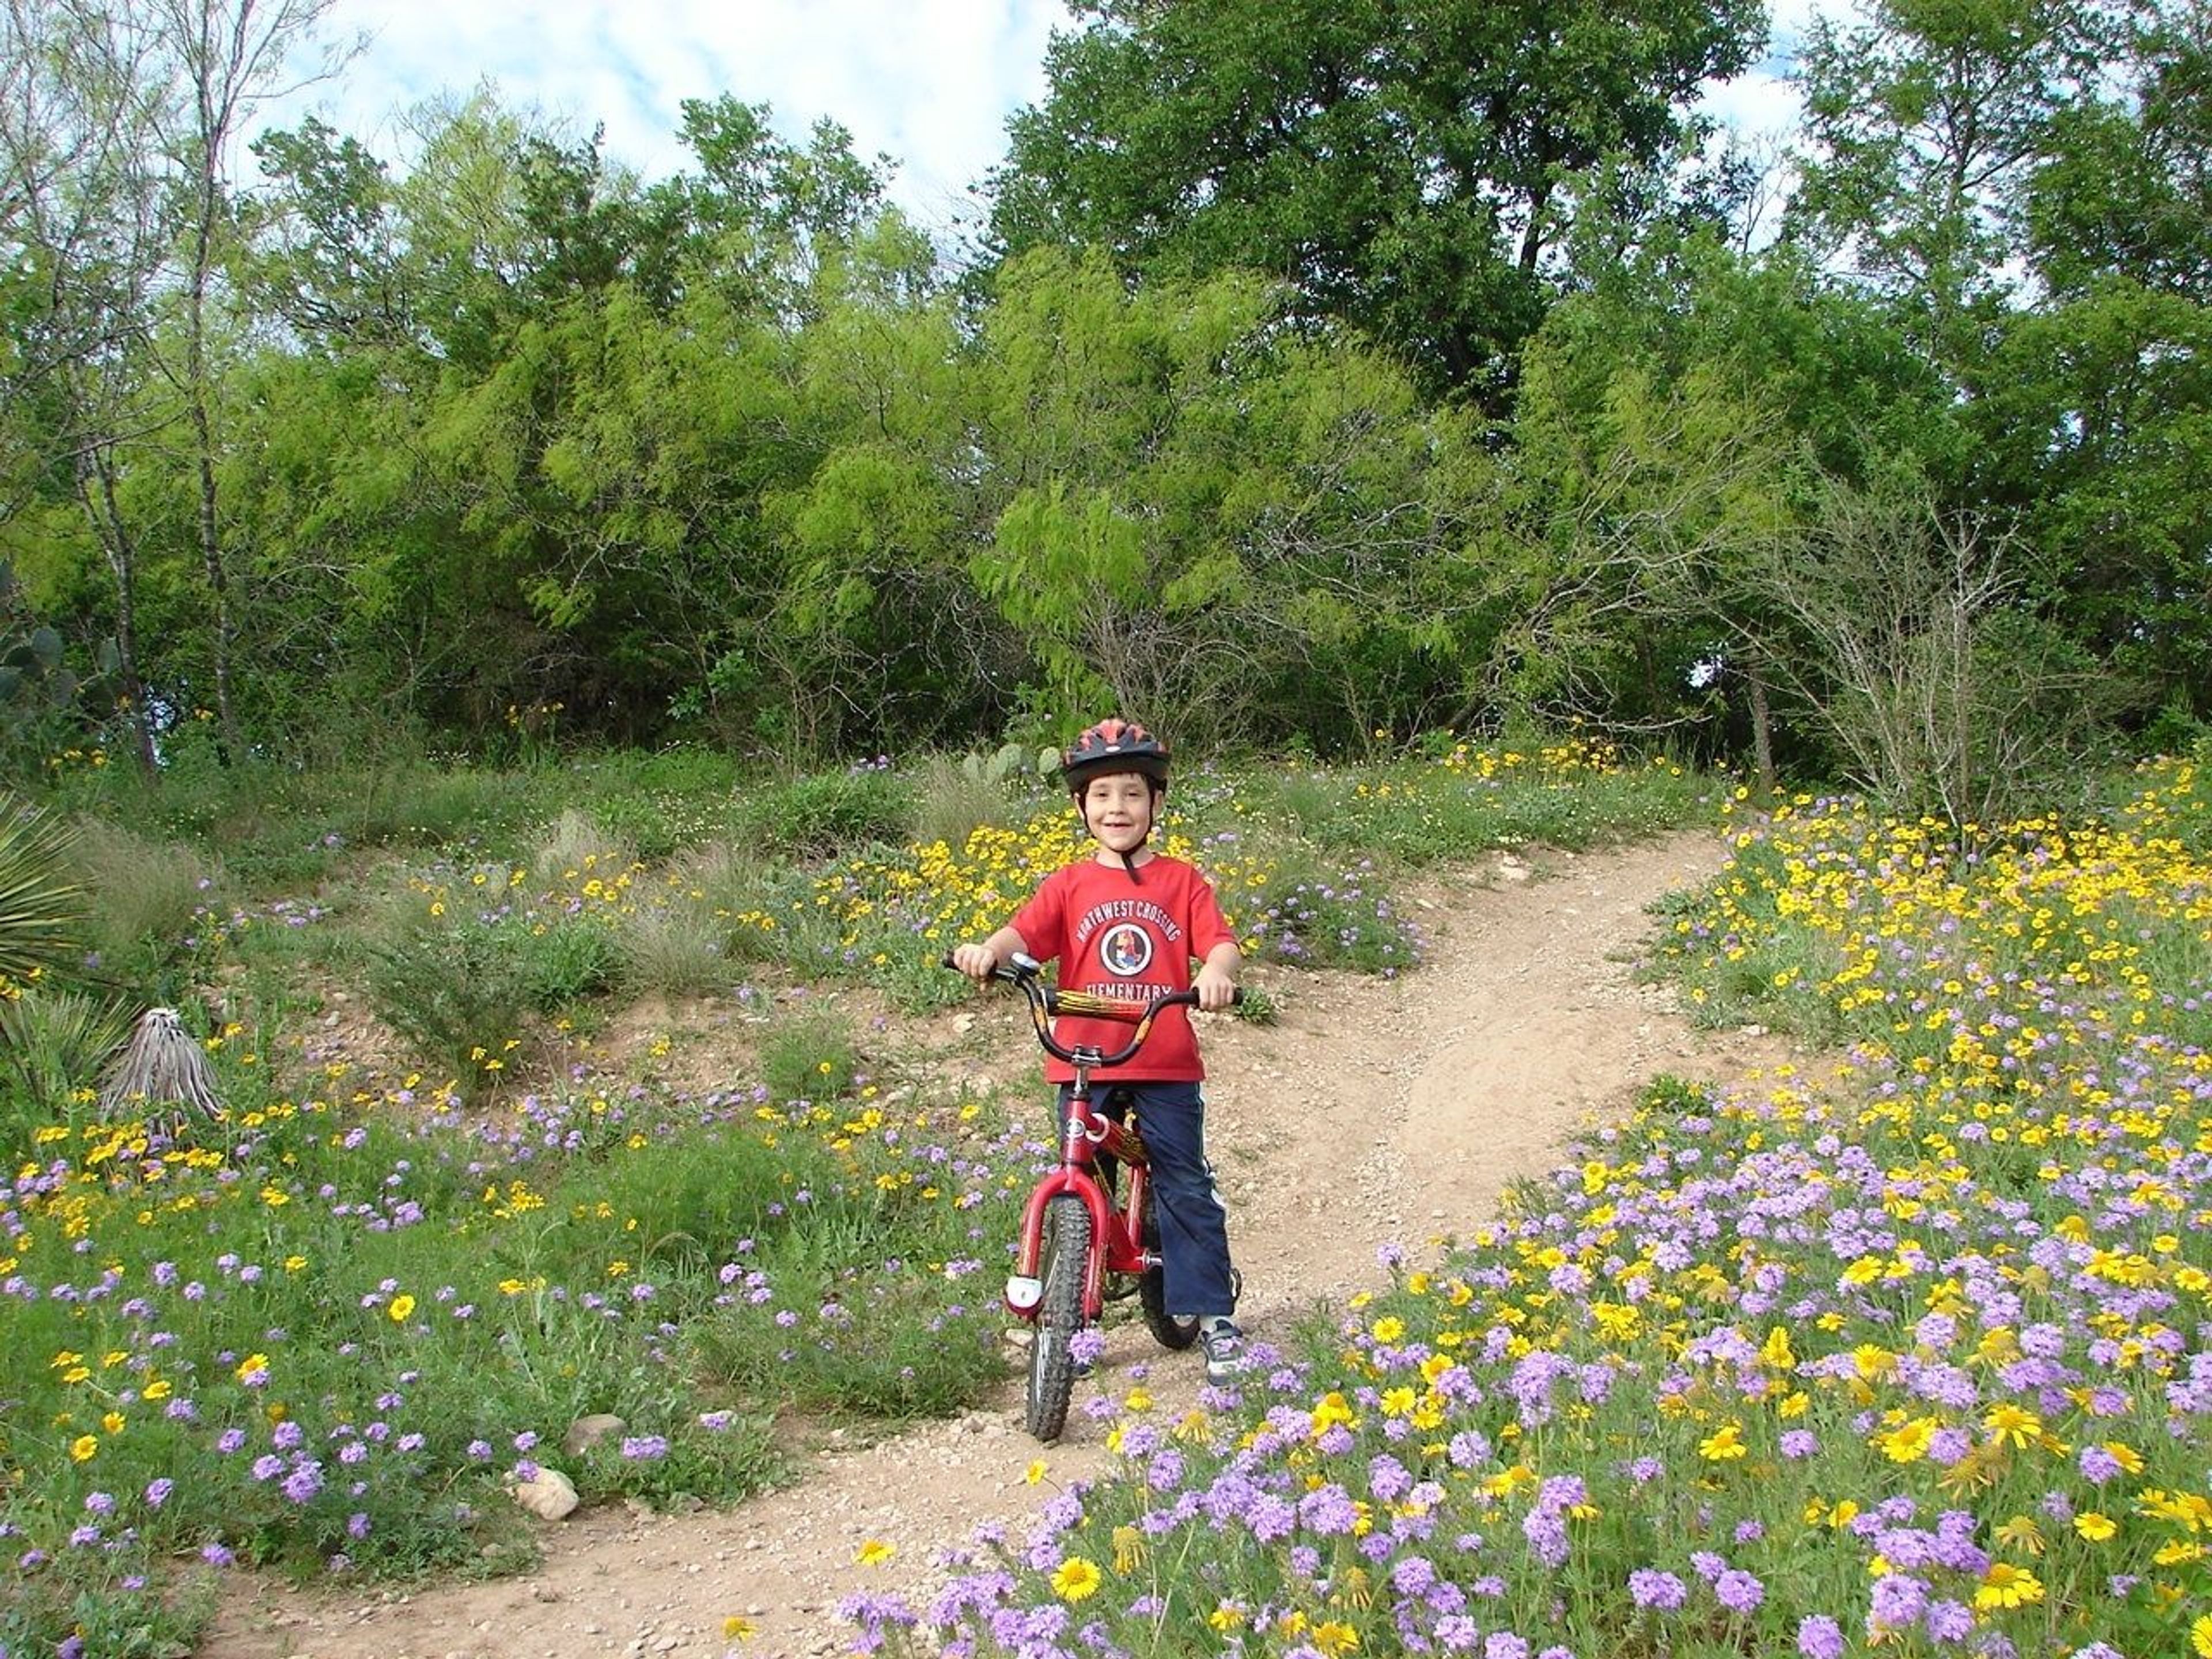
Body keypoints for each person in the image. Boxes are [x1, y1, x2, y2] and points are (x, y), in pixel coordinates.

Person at [952, 717, 1250, 1382]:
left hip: (1164, 1057)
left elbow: (1220, 942)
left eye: (1133, 794)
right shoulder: (1068, 886)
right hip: (1083, 1056)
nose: (1118, 808)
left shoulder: (1182, 882)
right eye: (1103, 795)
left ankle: (1213, 1316)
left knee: (1182, 1180)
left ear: (1157, 804)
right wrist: (986, 954)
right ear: (1081, 807)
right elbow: (1019, 936)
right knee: (1080, 1174)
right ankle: (1074, 1317)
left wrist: (1217, 974)